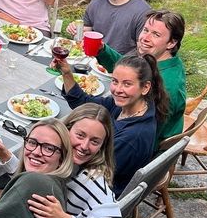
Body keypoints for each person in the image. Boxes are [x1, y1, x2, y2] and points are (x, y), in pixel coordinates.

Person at [55, 51, 169, 196]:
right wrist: (66, 73)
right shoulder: (129, 105)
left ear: (146, 87)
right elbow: (85, 104)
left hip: (95, 191)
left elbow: (91, 170)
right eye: (115, 81)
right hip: (93, 174)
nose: (117, 90)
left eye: (127, 84)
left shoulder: (133, 137)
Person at [95, 9, 187, 142]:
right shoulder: (162, 60)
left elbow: (145, 134)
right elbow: (131, 70)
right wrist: (102, 50)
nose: (145, 38)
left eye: (155, 34)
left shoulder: (167, 85)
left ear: (171, 43)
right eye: (145, 30)